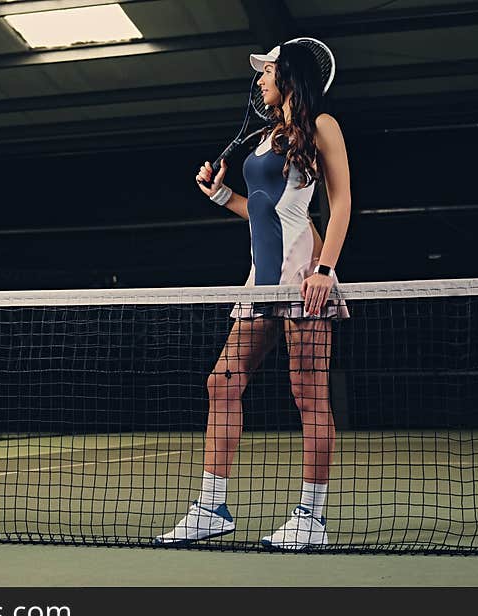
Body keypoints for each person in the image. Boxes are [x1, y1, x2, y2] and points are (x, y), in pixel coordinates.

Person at [154, 39, 352, 551]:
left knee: (308, 392)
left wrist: (324, 270)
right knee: (222, 382)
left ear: (289, 75)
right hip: (260, 279)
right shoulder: (268, 136)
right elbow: (263, 211)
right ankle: (211, 508)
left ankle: (311, 517)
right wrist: (221, 195)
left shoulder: (322, 126)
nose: (259, 79)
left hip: (303, 272)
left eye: (266, 71)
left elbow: (342, 201)